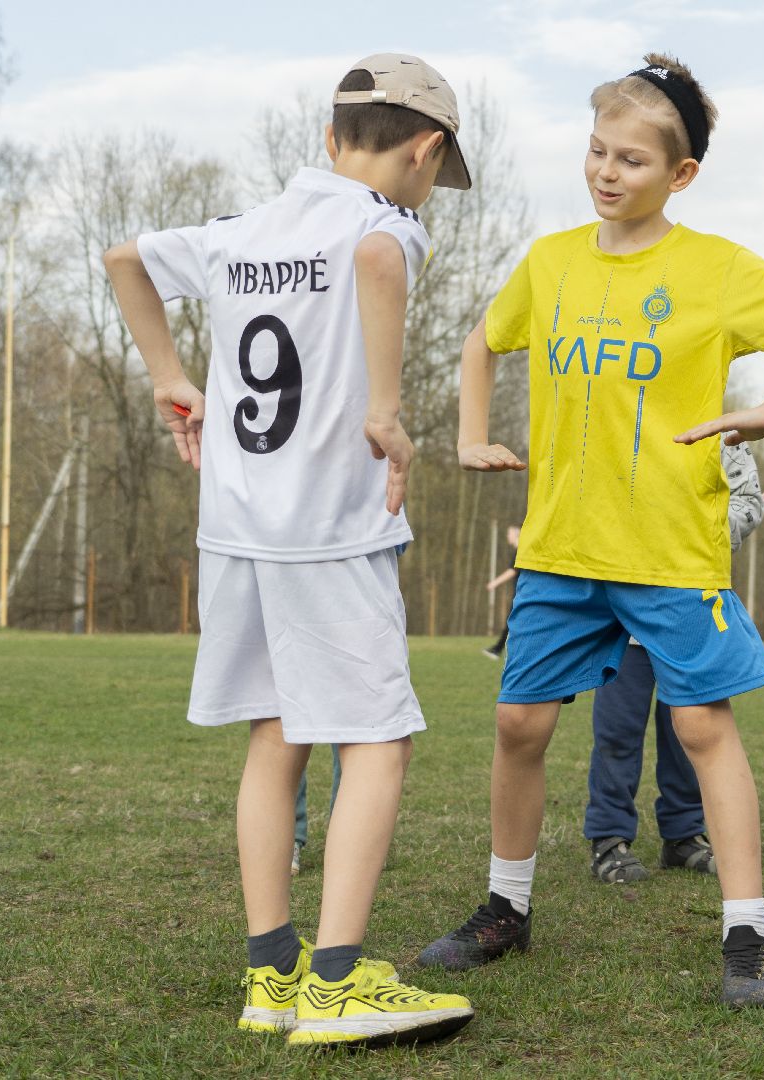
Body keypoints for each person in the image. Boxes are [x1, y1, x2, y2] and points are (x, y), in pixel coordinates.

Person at [417, 54, 764, 1009]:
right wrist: (466, 435)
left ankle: (748, 932)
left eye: (631, 160)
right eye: (596, 152)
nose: (607, 172)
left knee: (702, 725)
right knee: (517, 722)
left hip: (669, 551)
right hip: (560, 547)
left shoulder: (713, 268)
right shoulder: (552, 261)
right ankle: (506, 910)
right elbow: (480, 341)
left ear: (681, 174)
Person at [102, 53, 476, 1048]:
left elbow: (123, 259)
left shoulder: (243, 230)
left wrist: (166, 377)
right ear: (423, 148)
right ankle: (338, 987)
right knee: (379, 743)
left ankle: (272, 976)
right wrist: (389, 413)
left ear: (328, 137)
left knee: (277, 737)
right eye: (436, 173)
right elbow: (379, 262)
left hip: (237, 525)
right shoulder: (385, 220)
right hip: (332, 528)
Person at [585, 442, 761, 883]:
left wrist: (691, 526)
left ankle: (683, 837)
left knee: (692, 731)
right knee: (617, 733)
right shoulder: (621, 426)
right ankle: (609, 839)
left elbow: (748, 503)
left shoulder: (726, 440)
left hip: (691, 615)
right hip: (622, 620)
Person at [481, 524, 519, 659]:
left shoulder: (520, 551)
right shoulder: (519, 551)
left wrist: (494, 583)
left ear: (517, 534)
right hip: (521, 593)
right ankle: (498, 649)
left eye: (509, 533)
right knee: (513, 621)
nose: (507, 536)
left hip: (522, 593)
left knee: (512, 621)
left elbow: (512, 571)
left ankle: (497, 649)